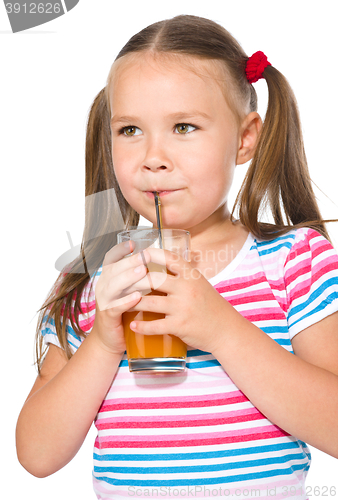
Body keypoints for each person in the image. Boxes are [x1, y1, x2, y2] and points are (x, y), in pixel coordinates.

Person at [16, 14, 338, 500]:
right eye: (130, 130)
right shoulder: (93, 284)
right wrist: (104, 342)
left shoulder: (292, 263)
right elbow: (37, 456)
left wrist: (221, 328)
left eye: (184, 126)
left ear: (245, 138)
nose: (153, 157)